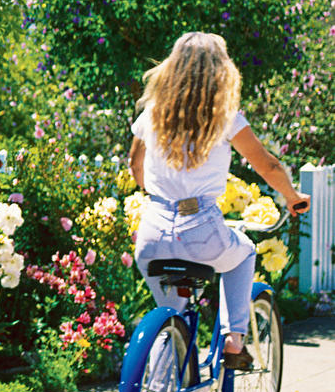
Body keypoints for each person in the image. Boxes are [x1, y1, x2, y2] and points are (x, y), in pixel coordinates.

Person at [129, 31, 310, 371]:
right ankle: (234, 340)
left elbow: (135, 166)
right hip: (201, 232)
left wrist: (161, 194)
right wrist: (293, 196)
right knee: (245, 253)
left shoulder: (152, 113)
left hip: (151, 236)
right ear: (220, 71)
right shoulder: (224, 118)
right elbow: (268, 166)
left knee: (171, 312)